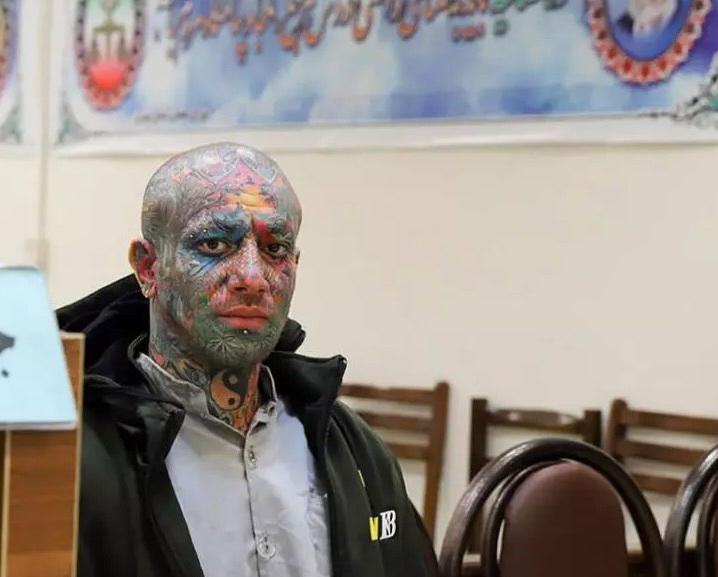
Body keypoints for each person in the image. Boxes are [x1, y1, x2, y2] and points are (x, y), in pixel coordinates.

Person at [57, 142, 438, 577]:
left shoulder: (352, 450)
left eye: (275, 249)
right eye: (215, 244)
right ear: (148, 267)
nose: (253, 278)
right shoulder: (73, 460)